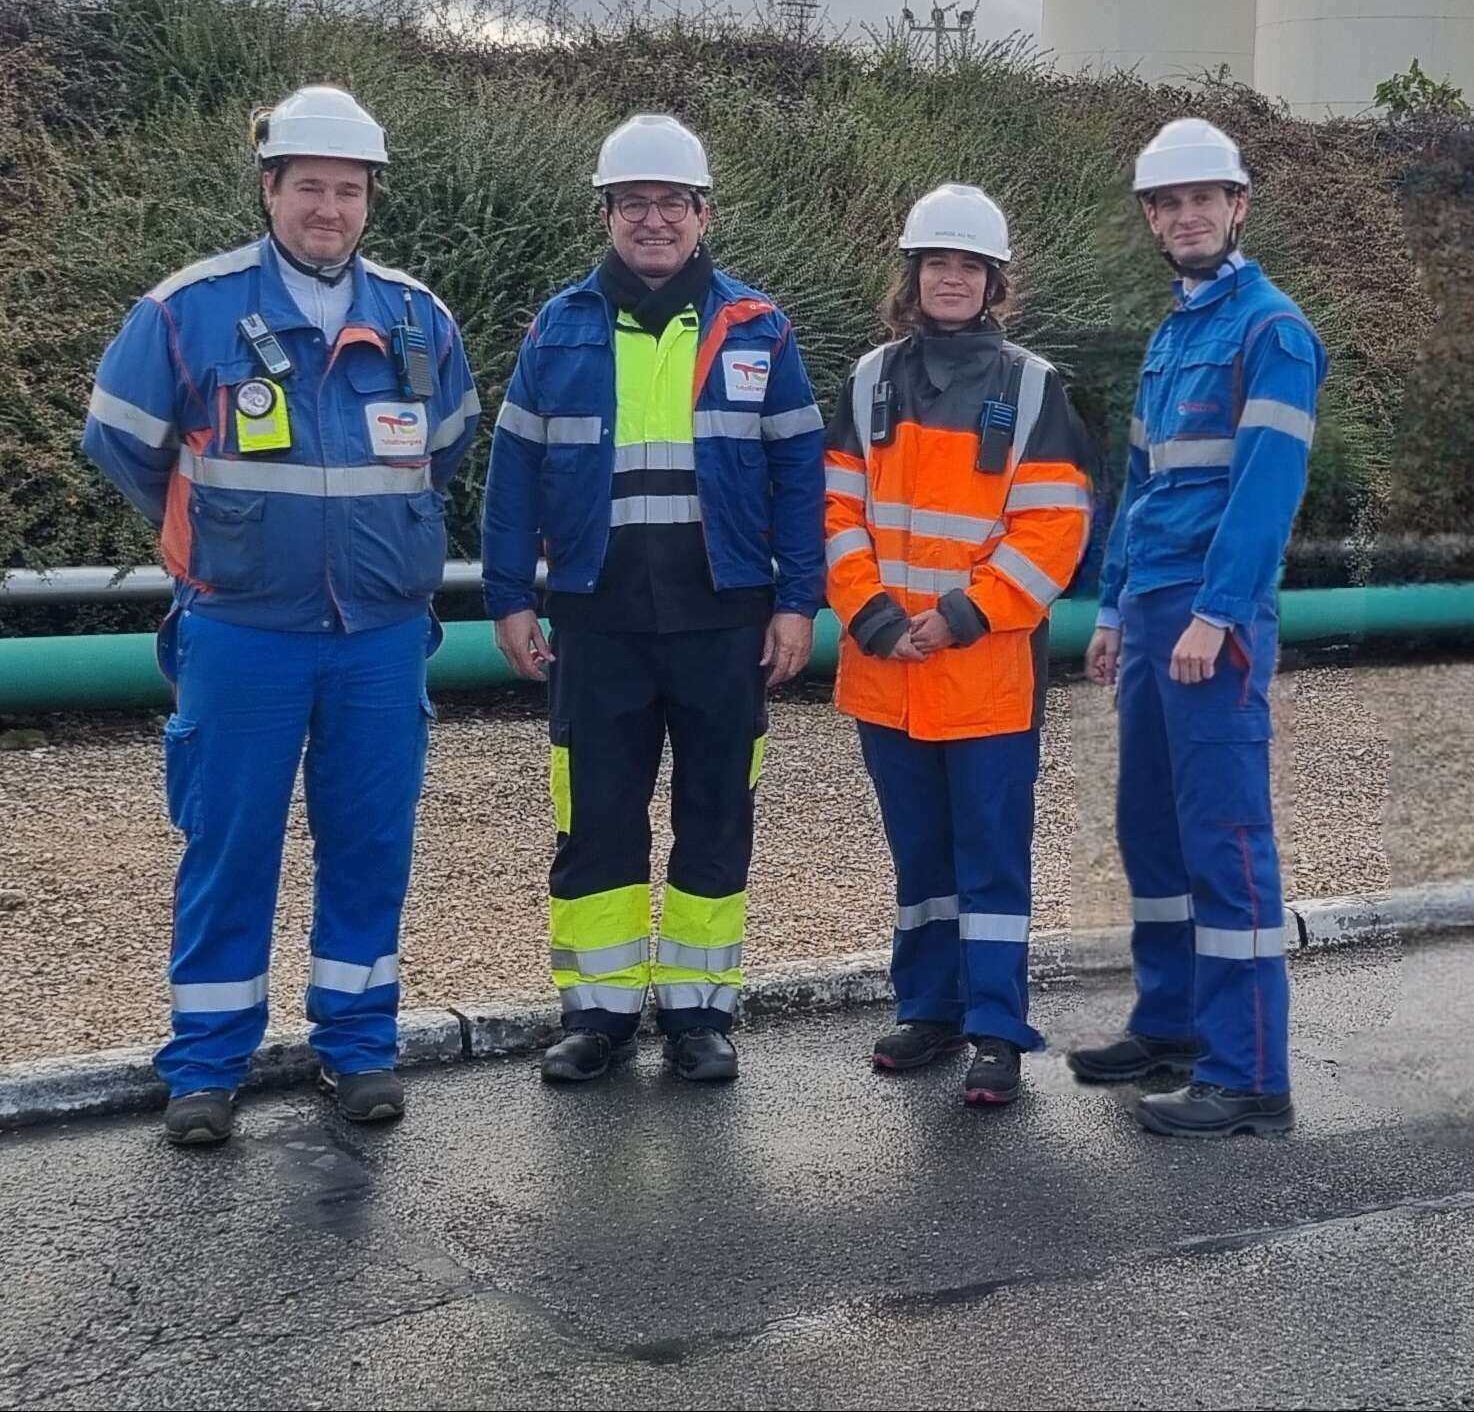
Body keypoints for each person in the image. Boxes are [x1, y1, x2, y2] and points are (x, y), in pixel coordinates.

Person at [82, 86, 480, 1146]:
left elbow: (445, 447)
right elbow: (122, 441)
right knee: (229, 841)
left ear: (370, 199)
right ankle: (206, 1065)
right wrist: (224, 533)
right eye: (309, 187)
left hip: (379, 635)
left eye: (348, 190)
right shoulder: (188, 310)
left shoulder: (418, 317)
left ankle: (359, 1045)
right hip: (242, 630)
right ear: (270, 189)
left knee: (371, 842)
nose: (329, 209)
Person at [482, 113, 825, 1085]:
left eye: (672, 202)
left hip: (725, 618)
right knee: (595, 817)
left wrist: (799, 600)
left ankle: (698, 1012)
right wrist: (508, 595)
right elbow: (514, 471)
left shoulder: (758, 328)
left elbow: (801, 473)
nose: (653, 219)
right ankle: (596, 1013)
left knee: (716, 816)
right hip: (598, 621)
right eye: (633, 202)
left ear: (703, 214)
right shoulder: (558, 327)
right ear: (606, 214)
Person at [1067, 118, 1327, 1138]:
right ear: (1150, 219)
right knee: (1151, 826)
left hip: (1214, 611)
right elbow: (1139, 485)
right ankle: (1173, 1023)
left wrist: (1217, 612)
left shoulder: (1272, 331)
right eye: (1166, 204)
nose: (1184, 217)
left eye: (1201, 199)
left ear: (1237, 205)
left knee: (1224, 838)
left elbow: (1264, 492)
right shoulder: (1176, 332)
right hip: (1153, 607)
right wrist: (1114, 605)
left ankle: (1249, 1073)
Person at [824, 185, 1094, 1107]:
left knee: (990, 860)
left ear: (993, 281)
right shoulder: (869, 380)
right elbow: (836, 511)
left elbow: (1054, 528)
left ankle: (995, 1031)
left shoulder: (1033, 386)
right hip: (888, 668)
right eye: (936, 262)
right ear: (913, 275)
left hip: (985, 674)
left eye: (969, 265)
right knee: (920, 858)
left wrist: (961, 616)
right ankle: (929, 1009)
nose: (951, 278)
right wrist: (873, 617)